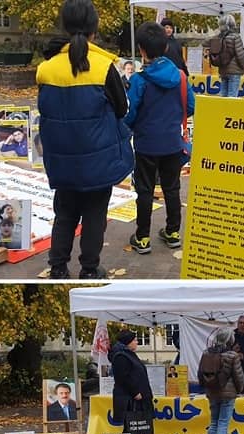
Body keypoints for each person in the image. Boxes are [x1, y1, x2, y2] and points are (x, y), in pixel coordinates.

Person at [36, 0, 133, 280]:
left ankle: (57, 267)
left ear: (64, 26)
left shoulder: (46, 69)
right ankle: (90, 269)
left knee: (64, 213)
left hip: (61, 159)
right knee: (94, 216)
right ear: (95, 28)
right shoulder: (104, 67)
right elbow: (122, 108)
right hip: (98, 160)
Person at [125, 21, 194, 255]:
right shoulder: (181, 77)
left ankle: (142, 238)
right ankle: (173, 233)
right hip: (173, 144)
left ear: (142, 50)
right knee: (172, 188)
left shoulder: (139, 80)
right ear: (166, 47)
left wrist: (134, 126)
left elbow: (129, 113)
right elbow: (191, 106)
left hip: (146, 145)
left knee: (144, 191)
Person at [110, 329, 154, 434]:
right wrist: (135, 392)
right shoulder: (121, 356)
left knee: (132, 427)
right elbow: (122, 377)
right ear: (128, 342)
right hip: (128, 399)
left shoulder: (128, 354)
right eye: (134, 340)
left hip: (134, 397)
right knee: (130, 426)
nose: (137, 342)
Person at [199, 327, 244, 434]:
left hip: (212, 392)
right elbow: (239, 377)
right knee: (223, 423)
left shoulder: (206, 353)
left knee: (213, 422)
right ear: (230, 340)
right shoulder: (233, 355)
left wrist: (206, 387)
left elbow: (200, 374)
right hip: (228, 394)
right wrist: (238, 390)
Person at [213, 14, 244, 98]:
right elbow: (240, 55)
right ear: (233, 24)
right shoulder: (235, 37)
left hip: (223, 69)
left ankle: (222, 110)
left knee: (223, 95)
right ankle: (229, 111)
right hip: (234, 71)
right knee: (232, 96)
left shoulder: (218, 37)